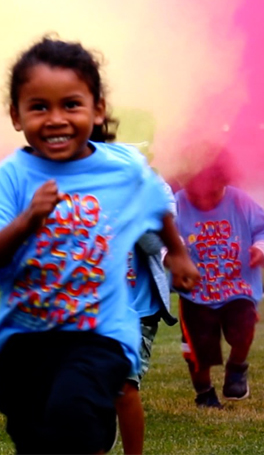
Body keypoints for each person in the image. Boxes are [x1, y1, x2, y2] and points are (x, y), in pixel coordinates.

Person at [0, 36, 199, 454]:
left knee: (75, 413)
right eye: (39, 107)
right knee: (37, 434)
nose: (56, 119)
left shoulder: (121, 167)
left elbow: (156, 204)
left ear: (98, 109)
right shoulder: (9, 179)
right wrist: (28, 221)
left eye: (71, 104)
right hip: (26, 338)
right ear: (16, 116)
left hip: (99, 331)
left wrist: (176, 253)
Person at [174, 144, 264, 408]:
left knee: (243, 328)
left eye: (214, 191)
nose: (206, 200)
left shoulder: (241, 201)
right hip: (197, 293)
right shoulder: (177, 205)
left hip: (237, 286)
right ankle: (204, 393)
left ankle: (236, 367)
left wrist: (260, 248)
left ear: (225, 180)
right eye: (199, 192)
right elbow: (166, 239)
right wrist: (173, 256)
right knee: (199, 350)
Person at [116, 178, 178, 455]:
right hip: (90, 305)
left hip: (137, 309)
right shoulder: (80, 180)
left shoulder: (157, 188)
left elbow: (154, 242)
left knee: (125, 385)